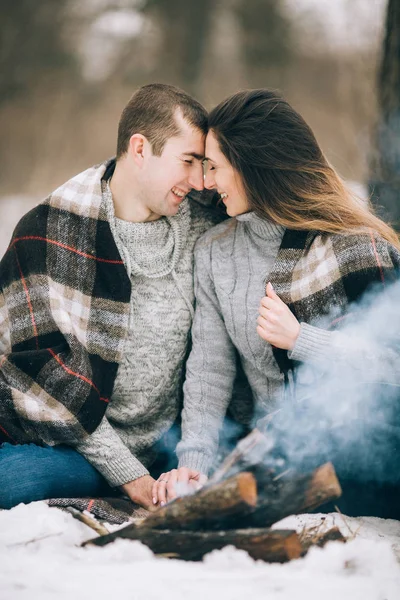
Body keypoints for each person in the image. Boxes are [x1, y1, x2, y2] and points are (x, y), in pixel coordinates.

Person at [153, 89, 400, 517]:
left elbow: (391, 367)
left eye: (215, 167)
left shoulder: (355, 246)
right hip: (276, 444)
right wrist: (194, 462)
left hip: (359, 436)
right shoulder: (215, 251)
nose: (206, 182)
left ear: (253, 168)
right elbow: (210, 369)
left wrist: (301, 339)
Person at [0, 83, 224, 510]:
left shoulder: (204, 227)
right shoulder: (50, 231)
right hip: (72, 443)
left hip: (166, 445)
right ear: (140, 149)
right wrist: (130, 477)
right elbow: (45, 378)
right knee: (17, 480)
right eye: (189, 161)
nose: (198, 181)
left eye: (203, 164)